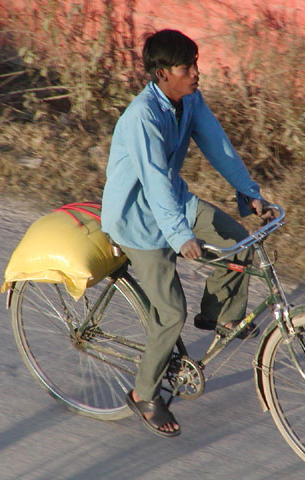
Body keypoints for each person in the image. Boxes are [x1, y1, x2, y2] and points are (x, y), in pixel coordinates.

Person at [101, 29, 270, 438]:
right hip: (137, 219)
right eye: (186, 67)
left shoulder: (189, 100)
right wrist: (179, 236)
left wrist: (248, 191)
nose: (196, 72)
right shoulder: (143, 116)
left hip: (172, 202)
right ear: (163, 74)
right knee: (170, 314)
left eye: (195, 64)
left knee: (237, 243)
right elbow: (154, 181)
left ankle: (220, 316)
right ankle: (144, 394)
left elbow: (217, 144)